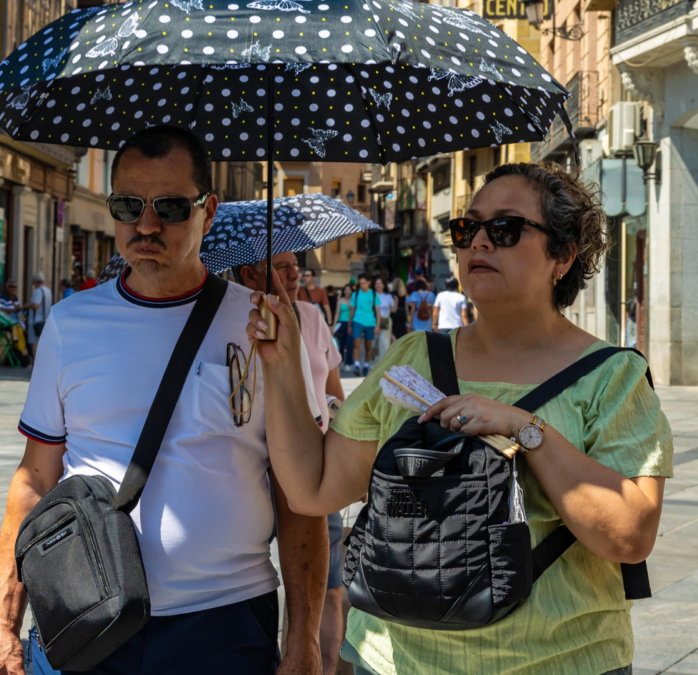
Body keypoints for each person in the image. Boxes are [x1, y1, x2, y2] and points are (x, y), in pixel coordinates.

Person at [247, 162, 672, 675]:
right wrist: (282, 363)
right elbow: (313, 489)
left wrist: (523, 428)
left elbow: (628, 537)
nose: (479, 243)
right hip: (393, 658)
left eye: (506, 229)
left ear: (562, 255)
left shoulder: (610, 377)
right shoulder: (412, 357)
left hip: (563, 659)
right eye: (467, 229)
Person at [0, 125, 328, 675]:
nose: (146, 224)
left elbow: (300, 497)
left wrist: (304, 638)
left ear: (208, 212)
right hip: (87, 615)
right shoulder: (71, 324)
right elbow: (34, 481)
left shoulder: (264, 328)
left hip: (225, 624)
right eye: (127, 204)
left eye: (169, 206)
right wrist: (2, 630)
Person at [237, 252, 347, 675]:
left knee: (327, 588)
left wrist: (335, 427)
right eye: (280, 268)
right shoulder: (234, 318)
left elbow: (334, 391)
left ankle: (318, 663)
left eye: (294, 266)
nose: (293, 274)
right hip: (254, 468)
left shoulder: (311, 316)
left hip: (315, 464)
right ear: (250, 273)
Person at [348, 275, 378, 376]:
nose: (361, 285)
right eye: (360, 283)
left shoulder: (373, 294)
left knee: (368, 346)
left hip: (370, 322)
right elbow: (352, 310)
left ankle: (366, 365)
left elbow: (378, 311)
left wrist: (377, 325)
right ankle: (357, 365)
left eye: (363, 283)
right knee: (356, 342)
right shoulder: (355, 294)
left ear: (369, 282)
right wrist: (349, 325)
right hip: (357, 320)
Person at [25, 272, 53, 362]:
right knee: (43, 343)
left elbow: (36, 305)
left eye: (34, 283)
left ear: (36, 282)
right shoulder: (48, 291)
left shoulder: (38, 291)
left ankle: (35, 362)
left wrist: (27, 305)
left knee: (35, 342)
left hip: (36, 321)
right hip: (45, 320)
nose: (34, 285)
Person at [374, 279, 397, 364]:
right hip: (373, 320)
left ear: (384, 285)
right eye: (376, 283)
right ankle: (372, 362)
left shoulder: (388, 296)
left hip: (385, 320)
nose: (378, 285)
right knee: (373, 343)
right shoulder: (372, 295)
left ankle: (383, 363)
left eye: (380, 283)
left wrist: (396, 302)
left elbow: (393, 310)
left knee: (384, 343)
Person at [335, 284, 354, 371]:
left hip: (350, 323)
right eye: (346, 289)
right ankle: (341, 361)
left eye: (349, 290)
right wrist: (334, 325)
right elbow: (337, 313)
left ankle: (348, 363)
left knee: (349, 344)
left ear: (351, 291)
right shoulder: (340, 301)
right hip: (341, 323)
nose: (347, 291)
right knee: (341, 344)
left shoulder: (353, 301)